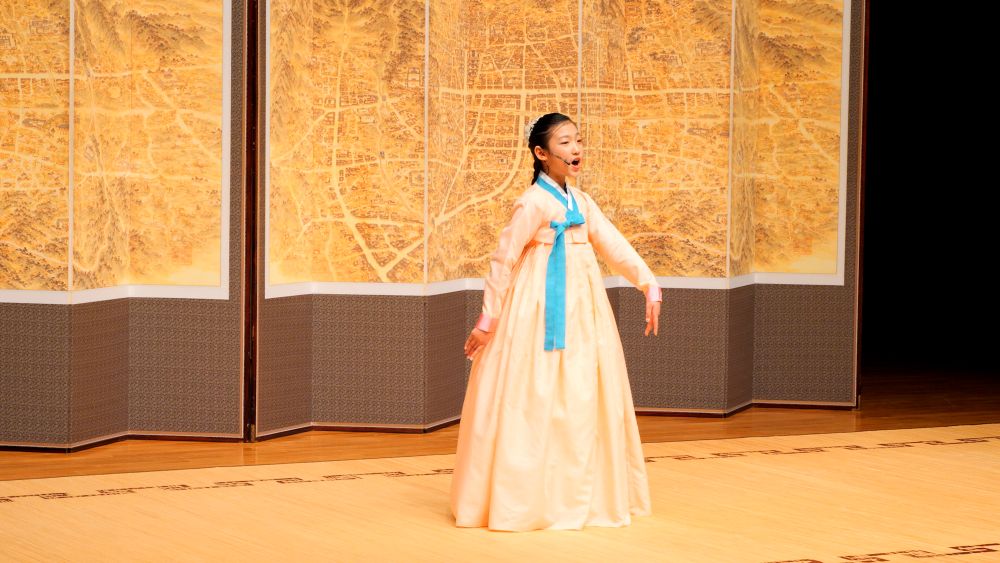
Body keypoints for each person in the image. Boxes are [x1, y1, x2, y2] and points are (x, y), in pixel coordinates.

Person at [449, 112, 662, 532]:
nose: (575, 148)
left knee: (581, 392)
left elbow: (613, 244)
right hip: (536, 306)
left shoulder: (582, 203)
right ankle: (524, 498)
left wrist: (648, 284)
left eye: (578, 140)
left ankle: (577, 493)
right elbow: (504, 259)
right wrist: (488, 319)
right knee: (533, 390)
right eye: (564, 142)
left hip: (583, 307)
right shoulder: (533, 202)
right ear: (541, 153)